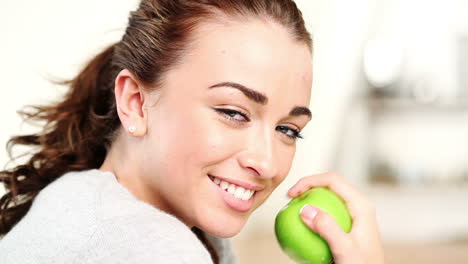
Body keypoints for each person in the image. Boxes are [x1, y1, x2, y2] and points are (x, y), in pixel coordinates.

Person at [0, 0, 385, 263]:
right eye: (233, 113)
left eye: (288, 129)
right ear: (135, 102)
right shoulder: (154, 249)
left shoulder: (74, 197)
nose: (267, 163)